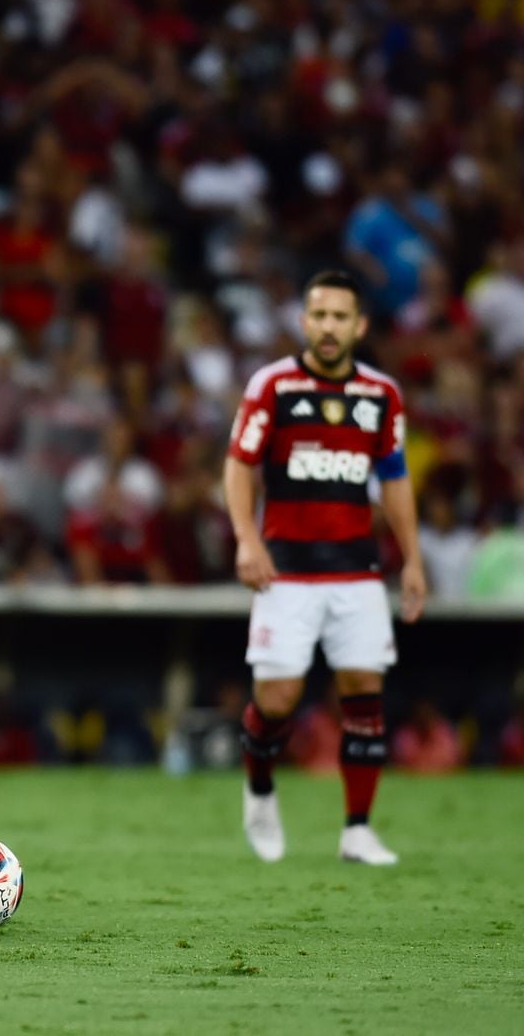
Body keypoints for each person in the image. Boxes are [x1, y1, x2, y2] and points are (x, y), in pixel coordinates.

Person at [223, 270, 426, 867]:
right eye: (319, 315)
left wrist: (411, 559)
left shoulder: (381, 396)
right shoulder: (274, 385)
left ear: (360, 326)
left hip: (357, 570)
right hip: (285, 570)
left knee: (365, 690)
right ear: (304, 321)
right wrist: (246, 539)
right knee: (278, 699)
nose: (329, 327)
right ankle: (259, 789)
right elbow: (239, 465)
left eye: (341, 317)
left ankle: (357, 830)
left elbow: (394, 480)